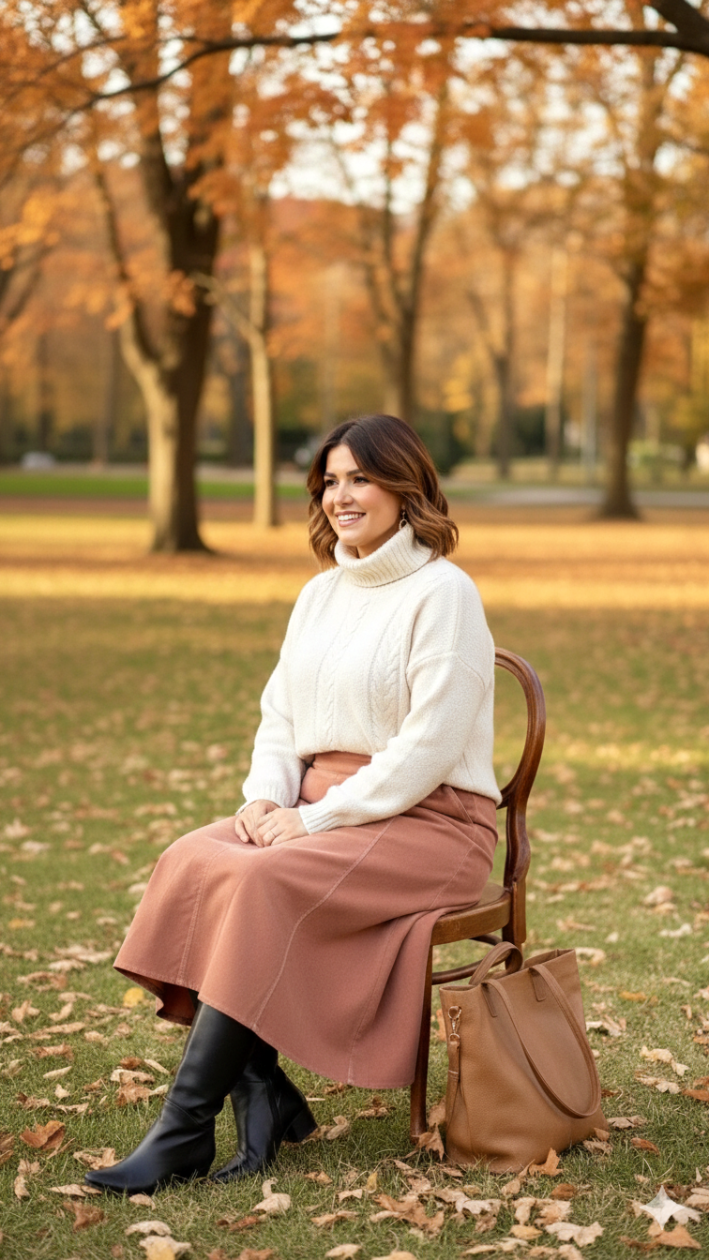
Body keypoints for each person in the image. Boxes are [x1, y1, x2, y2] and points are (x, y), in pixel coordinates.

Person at [85, 413, 501, 1196]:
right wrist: (263, 799)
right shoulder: (318, 595)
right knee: (195, 857)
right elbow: (281, 716)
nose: (342, 495)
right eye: (331, 480)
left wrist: (308, 820)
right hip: (318, 806)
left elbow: (428, 749)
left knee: (258, 882)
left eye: (361, 478)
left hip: (429, 821)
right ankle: (264, 1092)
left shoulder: (445, 595)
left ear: (404, 486)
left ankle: (182, 1131)